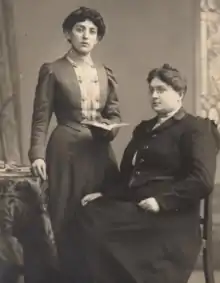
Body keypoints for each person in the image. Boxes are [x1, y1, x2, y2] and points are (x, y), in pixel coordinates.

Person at [79, 64, 220, 283]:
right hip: (138, 209)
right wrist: (106, 195)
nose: (154, 95)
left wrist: (161, 201)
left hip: (171, 217)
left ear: (180, 93)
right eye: (151, 90)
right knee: (91, 212)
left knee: (101, 224)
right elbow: (129, 176)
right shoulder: (144, 129)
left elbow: (201, 180)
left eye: (161, 90)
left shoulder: (196, 129)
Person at [28, 6, 121, 282]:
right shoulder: (53, 70)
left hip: (99, 150)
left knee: (100, 210)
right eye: (80, 29)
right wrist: (36, 154)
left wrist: (110, 129)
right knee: (65, 214)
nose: (86, 36)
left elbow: (114, 113)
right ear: (68, 34)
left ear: (97, 39)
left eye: (92, 32)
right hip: (65, 150)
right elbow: (41, 118)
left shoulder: (106, 73)